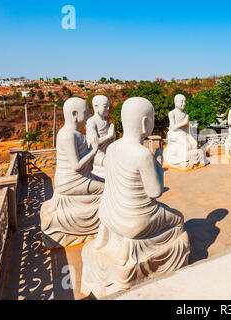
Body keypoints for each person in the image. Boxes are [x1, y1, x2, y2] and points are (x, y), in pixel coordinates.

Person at [81, 97, 190, 298]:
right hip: (136, 220)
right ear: (144, 123)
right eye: (152, 119)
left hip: (109, 215)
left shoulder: (113, 148)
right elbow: (155, 192)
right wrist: (157, 163)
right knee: (179, 219)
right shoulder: (143, 155)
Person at [40, 97, 104, 249]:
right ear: (75, 114)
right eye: (86, 112)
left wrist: (92, 148)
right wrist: (94, 150)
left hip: (83, 177)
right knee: (108, 190)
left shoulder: (77, 134)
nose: (89, 115)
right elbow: (76, 166)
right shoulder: (67, 135)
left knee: (107, 183)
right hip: (72, 182)